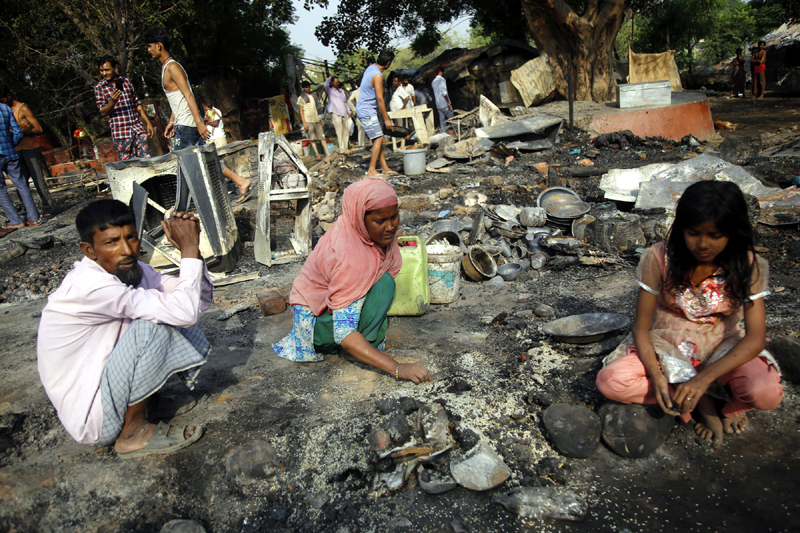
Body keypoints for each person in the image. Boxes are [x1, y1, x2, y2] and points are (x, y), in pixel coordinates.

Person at [596, 181, 783, 446]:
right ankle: (698, 401)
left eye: (716, 235)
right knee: (611, 382)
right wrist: (658, 377)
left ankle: (716, 400)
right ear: (682, 228)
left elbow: (755, 338)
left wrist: (703, 378)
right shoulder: (659, 258)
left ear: (733, 233)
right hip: (667, 342)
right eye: (693, 233)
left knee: (765, 393)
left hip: (722, 343)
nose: (703, 244)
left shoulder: (749, 265)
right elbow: (640, 327)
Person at [37, 199, 213, 457]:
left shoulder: (132, 269)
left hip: (109, 389)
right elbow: (184, 312)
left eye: (131, 238)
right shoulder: (91, 286)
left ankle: (147, 403)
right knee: (151, 325)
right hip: (93, 416)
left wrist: (193, 255)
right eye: (111, 242)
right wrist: (188, 250)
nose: (127, 250)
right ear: (89, 250)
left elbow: (196, 300)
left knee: (163, 311)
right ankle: (132, 432)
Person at [273, 179, 432, 383]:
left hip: (327, 310)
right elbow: (343, 333)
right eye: (380, 221)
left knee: (382, 281)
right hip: (317, 325)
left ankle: (360, 344)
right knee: (383, 286)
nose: (390, 227)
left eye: (394, 217)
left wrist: (386, 229)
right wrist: (398, 368)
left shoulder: (355, 229)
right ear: (360, 218)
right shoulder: (351, 257)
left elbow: (386, 230)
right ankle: (354, 349)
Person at [142, 27, 252, 202]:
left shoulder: (172, 67)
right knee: (207, 159)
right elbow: (177, 99)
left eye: (150, 46)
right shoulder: (166, 68)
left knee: (181, 165)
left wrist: (199, 123)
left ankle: (188, 204)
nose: (148, 50)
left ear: (159, 45)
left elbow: (188, 95)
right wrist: (172, 120)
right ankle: (241, 181)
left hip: (187, 125)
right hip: (183, 123)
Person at [0, 86, 53, 208]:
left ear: (8, 96)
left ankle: (48, 207)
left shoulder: (22, 108)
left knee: (38, 180)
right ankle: (28, 211)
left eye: (2, 101)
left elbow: (38, 129)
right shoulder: (4, 110)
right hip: (15, 151)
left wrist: (20, 132)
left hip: (30, 149)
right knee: (21, 183)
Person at [94, 56, 155, 161]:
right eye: (101, 70)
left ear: (115, 68)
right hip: (121, 133)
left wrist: (148, 122)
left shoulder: (126, 82)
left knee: (147, 160)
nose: (104, 73)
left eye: (107, 70)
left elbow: (137, 104)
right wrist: (112, 101)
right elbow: (103, 112)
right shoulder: (100, 88)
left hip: (137, 129)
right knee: (129, 166)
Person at [0, 102, 40, 230]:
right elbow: (17, 131)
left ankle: (15, 220)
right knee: (22, 185)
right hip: (11, 153)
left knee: (1, 190)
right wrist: (12, 145)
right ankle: (33, 218)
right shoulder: (5, 108)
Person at [356, 50, 396, 177]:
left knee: (377, 138)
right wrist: (387, 119)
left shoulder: (370, 68)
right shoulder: (378, 75)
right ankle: (372, 169)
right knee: (379, 138)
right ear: (388, 63)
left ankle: (384, 167)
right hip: (366, 110)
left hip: (367, 109)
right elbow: (380, 98)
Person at [297, 81, 329, 160]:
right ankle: (317, 153)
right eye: (306, 87)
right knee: (312, 138)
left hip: (316, 119)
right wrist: (304, 123)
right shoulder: (301, 98)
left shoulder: (313, 96)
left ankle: (327, 153)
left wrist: (321, 118)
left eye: (309, 87)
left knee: (322, 137)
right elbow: (301, 111)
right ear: (303, 88)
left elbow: (318, 107)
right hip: (308, 120)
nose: (308, 88)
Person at [324, 75, 351, 153]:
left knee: (346, 131)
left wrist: (349, 112)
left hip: (344, 113)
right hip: (336, 113)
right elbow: (325, 85)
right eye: (336, 82)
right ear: (332, 83)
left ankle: (346, 147)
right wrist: (329, 77)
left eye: (338, 82)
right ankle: (342, 148)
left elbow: (345, 102)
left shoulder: (341, 91)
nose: (337, 83)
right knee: (339, 132)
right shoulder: (330, 91)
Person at [432, 67, 453, 133]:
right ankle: (456, 130)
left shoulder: (433, 81)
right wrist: (448, 102)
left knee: (442, 119)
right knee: (452, 118)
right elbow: (444, 93)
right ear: (441, 72)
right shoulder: (442, 80)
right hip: (444, 102)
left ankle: (443, 132)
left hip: (438, 103)